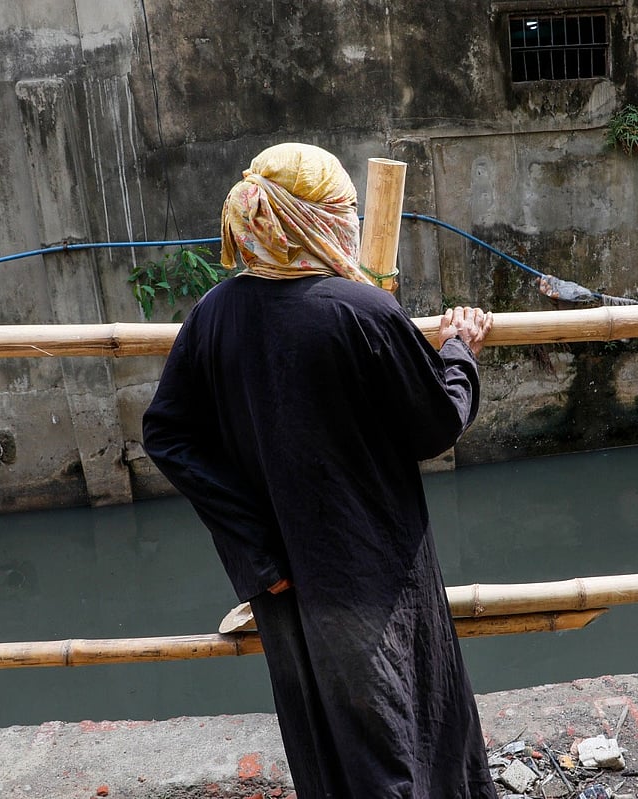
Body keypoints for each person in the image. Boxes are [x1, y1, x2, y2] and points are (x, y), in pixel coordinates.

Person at [142, 142, 497, 799]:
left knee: (329, 742)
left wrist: (259, 552)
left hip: (284, 578)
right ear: (317, 221)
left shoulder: (212, 316)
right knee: (400, 730)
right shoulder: (360, 311)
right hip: (369, 570)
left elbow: (167, 433)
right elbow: (435, 425)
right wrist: (458, 349)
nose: (355, 222)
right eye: (348, 210)